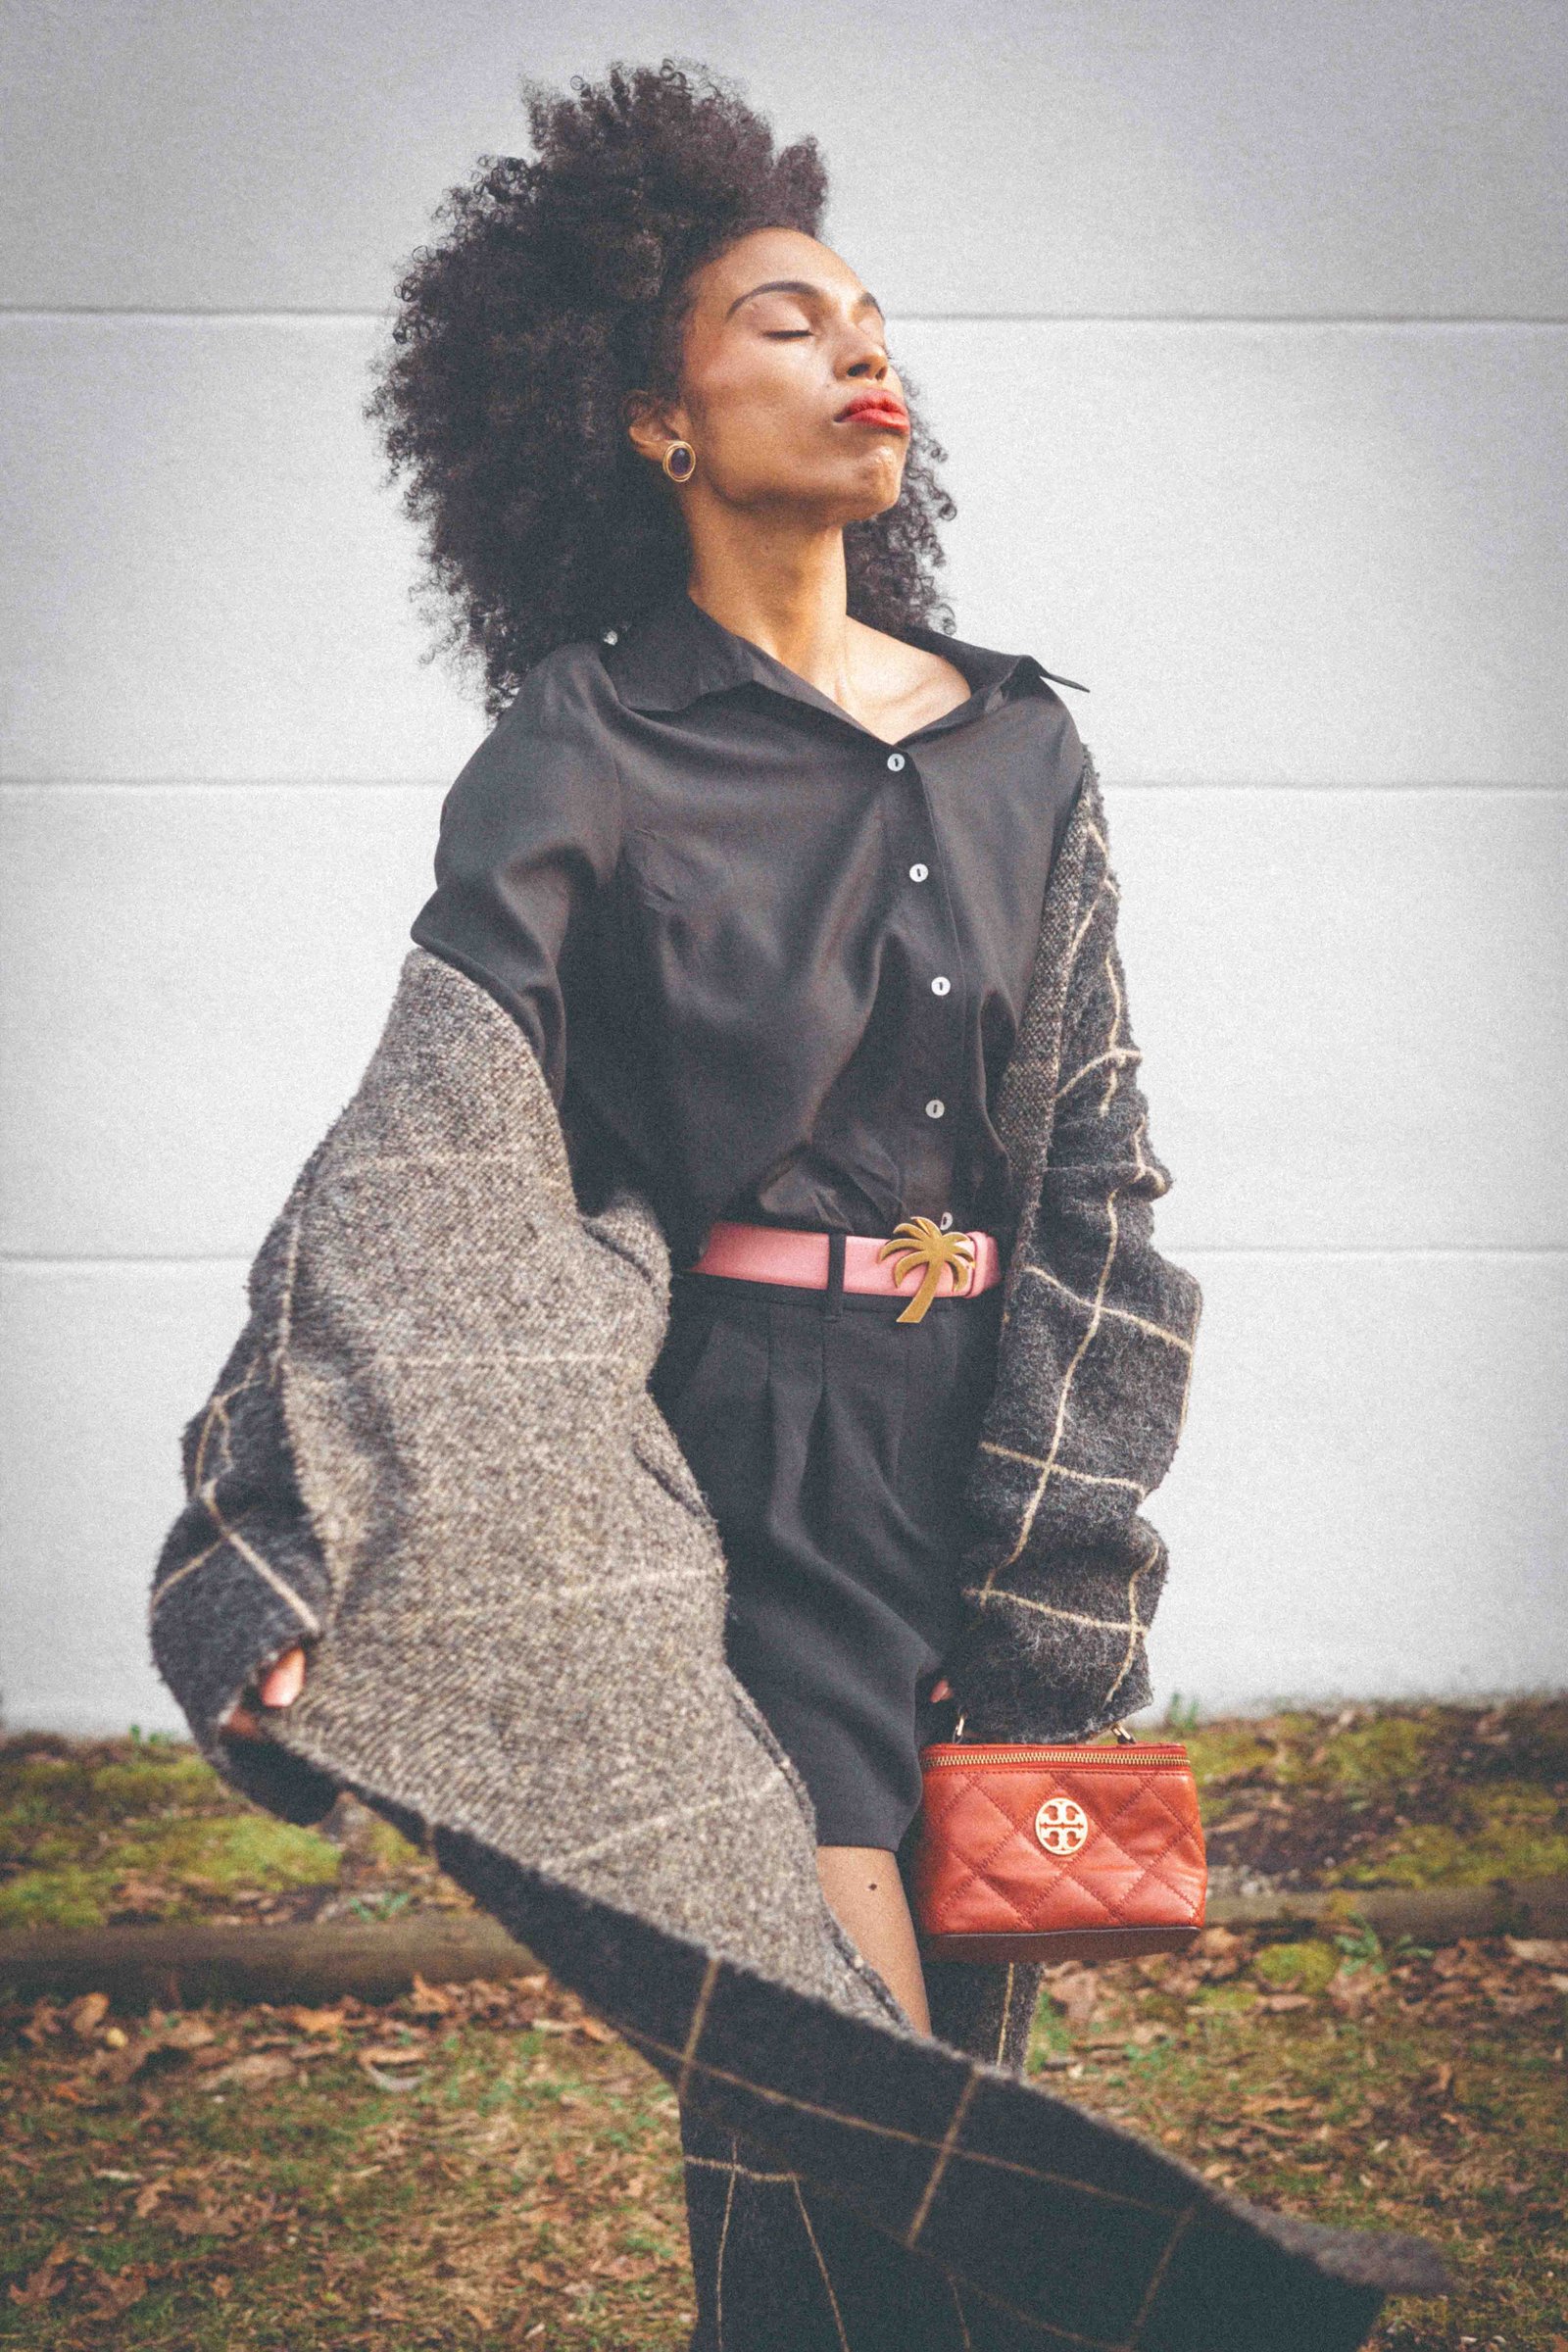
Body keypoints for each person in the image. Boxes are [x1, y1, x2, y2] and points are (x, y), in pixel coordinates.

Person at [225, 62, 1093, 2039]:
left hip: (973, 1431)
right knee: (845, 2054)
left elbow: (1102, 1152)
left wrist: (1071, 1490)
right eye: (784, 323)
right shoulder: (581, 744)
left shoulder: (1022, 741)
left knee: (958, 2027)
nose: (857, 353)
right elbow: (436, 1141)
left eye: (870, 327)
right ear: (652, 421)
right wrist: (289, 1527)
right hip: (735, 1437)